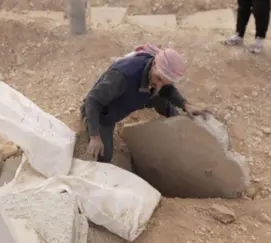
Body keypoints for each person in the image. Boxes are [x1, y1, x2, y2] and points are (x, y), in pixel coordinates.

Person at [80, 44, 209, 162]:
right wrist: (95, 136)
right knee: (104, 156)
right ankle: (89, 124)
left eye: (164, 82)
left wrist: (186, 105)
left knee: (161, 97)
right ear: (153, 64)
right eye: (158, 79)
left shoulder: (156, 76)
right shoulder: (123, 77)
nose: (159, 85)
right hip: (104, 112)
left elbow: (167, 89)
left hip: (135, 95)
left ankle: (177, 126)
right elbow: (93, 100)